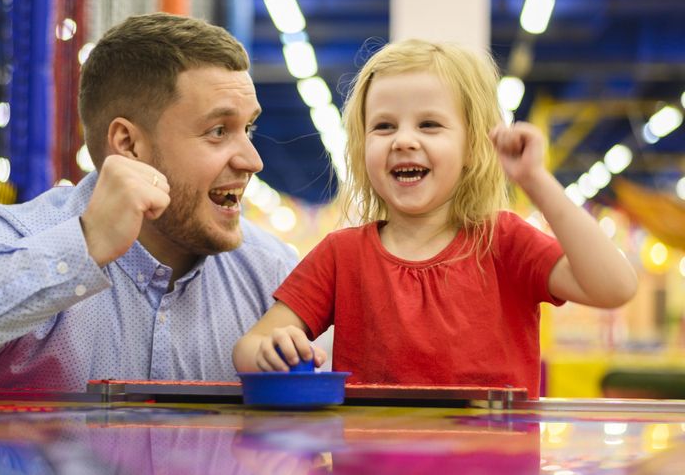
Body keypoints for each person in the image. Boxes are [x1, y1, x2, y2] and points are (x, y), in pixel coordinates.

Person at [0, 13, 298, 396]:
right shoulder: (23, 235)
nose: (252, 160)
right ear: (128, 144)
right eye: (218, 131)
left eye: (248, 130)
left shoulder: (271, 273)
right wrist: (82, 247)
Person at [232, 39, 637, 398]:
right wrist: (270, 350)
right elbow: (248, 348)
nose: (404, 139)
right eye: (384, 126)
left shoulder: (504, 242)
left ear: (473, 147)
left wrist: (536, 180)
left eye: (429, 125)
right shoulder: (342, 254)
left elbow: (613, 287)